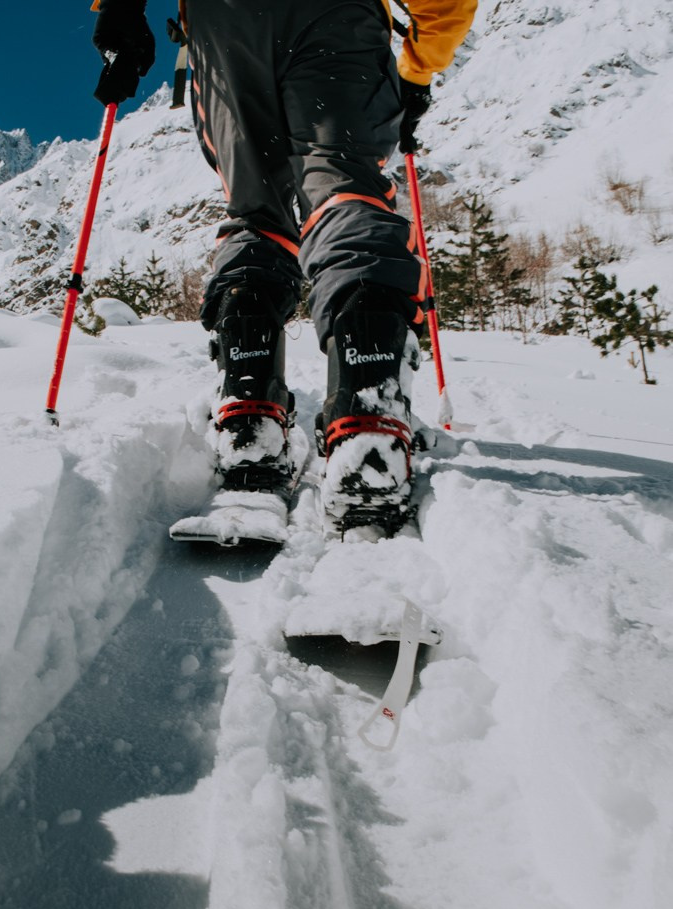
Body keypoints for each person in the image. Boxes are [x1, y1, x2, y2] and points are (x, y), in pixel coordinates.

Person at [92, 0, 477, 532]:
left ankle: (250, 418)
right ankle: (367, 415)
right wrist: (416, 70)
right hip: (336, 16)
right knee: (344, 192)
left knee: (257, 212)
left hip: (223, 23)